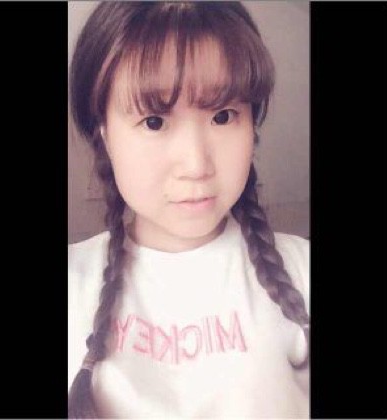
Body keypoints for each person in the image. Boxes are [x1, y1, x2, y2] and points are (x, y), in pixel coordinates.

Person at [68, 2, 310, 418]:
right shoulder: (73, 284)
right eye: (154, 122)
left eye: (223, 116)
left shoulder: (302, 271)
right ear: (104, 132)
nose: (197, 165)